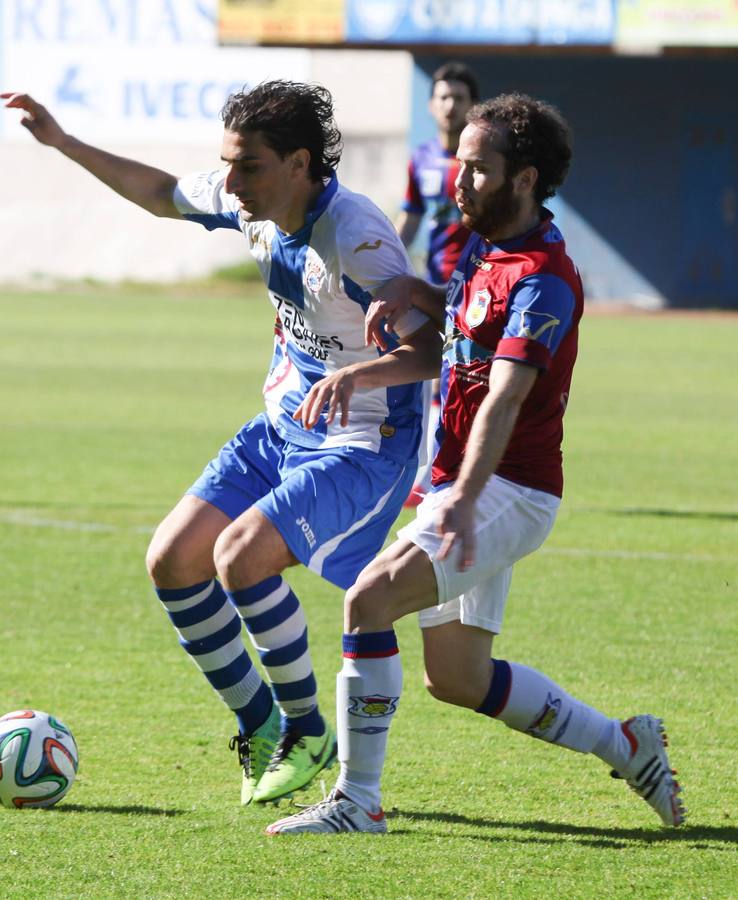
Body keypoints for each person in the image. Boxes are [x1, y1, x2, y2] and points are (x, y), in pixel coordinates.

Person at [1, 82, 441, 807]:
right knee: (172, 561)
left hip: (362, 444)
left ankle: (308, 730)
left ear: (300, 164)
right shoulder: (254, 203)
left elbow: (432, 351)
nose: (231, 184)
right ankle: (261, 726)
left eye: (249, 168)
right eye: (228, 165)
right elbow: (164, 191)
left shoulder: (356, 240)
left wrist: (360, 377)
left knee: (239, 558)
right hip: (281, 425)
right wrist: (63, 141)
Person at [267, 93, 686, 834]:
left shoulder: (544, 278)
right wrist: (413, 296)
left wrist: (459, 499)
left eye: (476, 168)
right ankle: (623, 744)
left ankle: (356, 801)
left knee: (366, 601)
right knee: (456, 678)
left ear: (523, 178)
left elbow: (504, 396)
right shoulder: (481, 248)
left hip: (504, 491)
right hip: (466, 487)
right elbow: (459, 340)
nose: (456, 180)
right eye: (457, 163)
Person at [396, 61, 479, 508]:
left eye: (459, 98)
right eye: (444, 97)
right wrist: (387, 261)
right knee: (426, 373)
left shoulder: (482, 164)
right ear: (431, 105)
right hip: (433, 284)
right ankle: (426, 474)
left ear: (473, 106)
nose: (450, 106)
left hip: (474, 289)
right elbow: (410, 216)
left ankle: (452, 471)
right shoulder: (422, 158)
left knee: (463, 378)